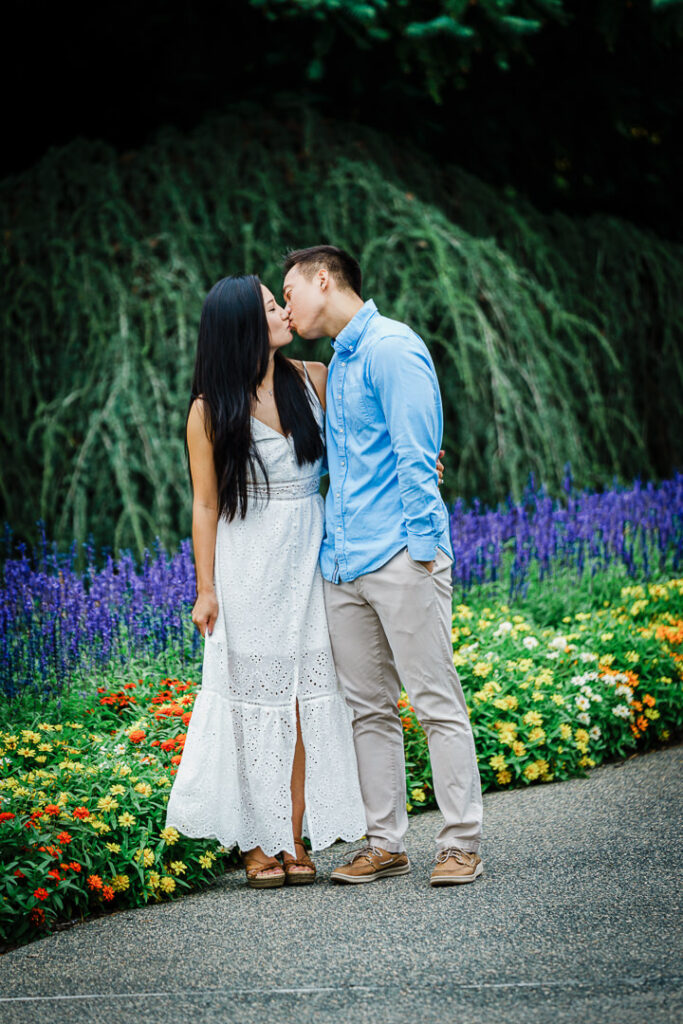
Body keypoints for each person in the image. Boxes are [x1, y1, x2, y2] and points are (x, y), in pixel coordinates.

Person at [282, 245, 484, 887]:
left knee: (434, 700)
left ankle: (461, 842)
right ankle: (386, 842)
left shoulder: (393, 348)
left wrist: (422, 556)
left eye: (290, 291)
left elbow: (417, 457)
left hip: (400, 556)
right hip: (341, 566)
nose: (287, 306)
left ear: (323, 279)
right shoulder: (338, 363)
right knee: (368, 708)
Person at [164, 273, 369, 888]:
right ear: (242, 327)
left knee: (304, 704)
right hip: (247, 566)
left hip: (307, 562)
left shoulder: (312, 378)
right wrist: (206, 588)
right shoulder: (210, 411)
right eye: (270, 306)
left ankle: (295, 835)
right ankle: (258, 842)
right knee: (252, 704)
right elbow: (204, 506)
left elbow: (367, 442)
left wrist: (421, 454)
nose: (284, 310)